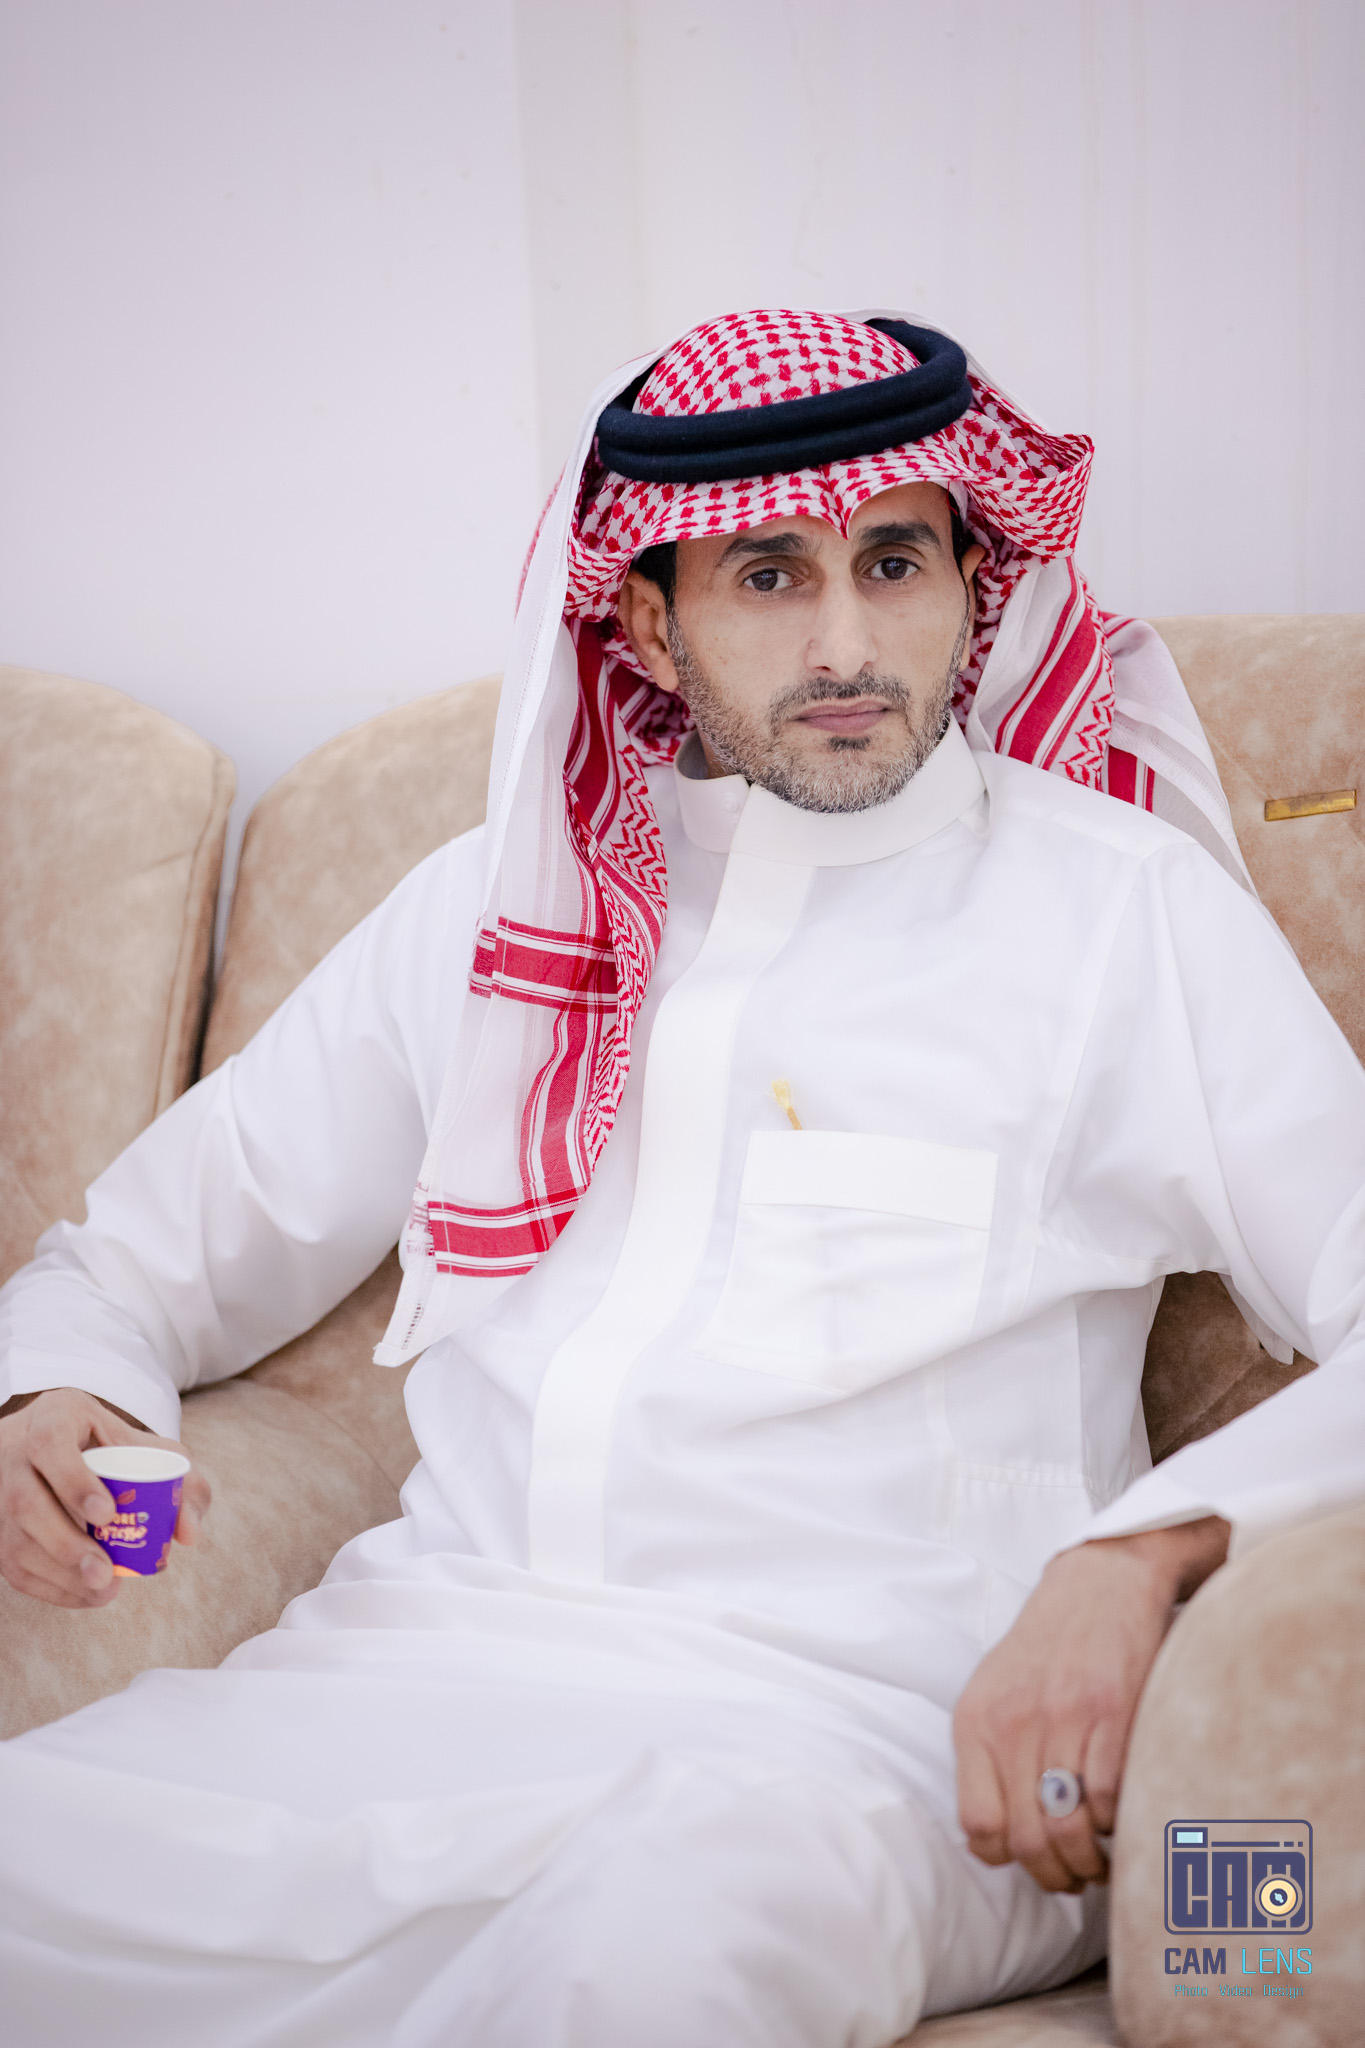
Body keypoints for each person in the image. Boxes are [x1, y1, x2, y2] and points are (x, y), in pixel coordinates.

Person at [1, 308, 1362, 2047]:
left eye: (893, 563)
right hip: (398, 1689)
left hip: (861, 1756)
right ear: (647, 618)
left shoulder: (1119, 916)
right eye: (769, 576)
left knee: (657, 1943)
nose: (848, 642)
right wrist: (59, 1391)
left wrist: (1135, 1557)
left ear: (973, 580)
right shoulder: (496, 914)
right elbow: (126, 1264)